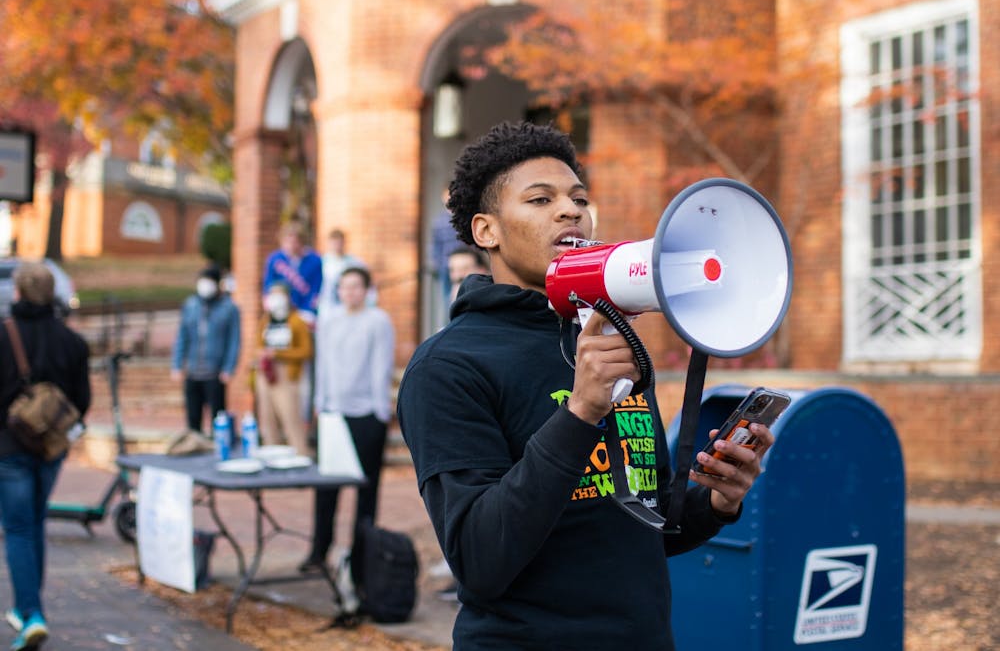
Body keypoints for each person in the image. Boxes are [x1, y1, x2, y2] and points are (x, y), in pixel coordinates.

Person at [397, 121, 774, 650]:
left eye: (579, 197)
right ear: (487, 231)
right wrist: (579, 414)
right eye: (539, 198)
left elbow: (644, 524)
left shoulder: (605, 343)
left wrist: (715, 503)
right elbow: (480, 560)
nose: (571, 210)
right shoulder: (449, 366)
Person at [0, 261, 91, 650]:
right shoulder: (72, 342)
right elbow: (82, 401)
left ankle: (31, 612)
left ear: (17, 293)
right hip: (51, 450)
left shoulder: (3, 336)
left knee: (18, 528)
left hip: (9, 449)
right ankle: (28, 607)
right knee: (35, 522)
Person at [299, 266, 395, 573]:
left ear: (367, 290)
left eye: (355, 286)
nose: (349, 292)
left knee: (366, 490)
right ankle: (318, 551)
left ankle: (360, 556)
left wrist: (381, 411)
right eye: (343, 287)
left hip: (367, 414)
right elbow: (322, 365)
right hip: (333, 415)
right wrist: (320, 404)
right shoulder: (329, 320)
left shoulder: (378, 321)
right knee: (326, 489)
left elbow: (382, 366)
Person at [170, 264, 241, 434]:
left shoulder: (229, 308)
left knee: (219, 420)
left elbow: (234, 340)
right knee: (193, 420)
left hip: (215, 373)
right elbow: (182, 336)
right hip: (193, 371)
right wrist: (177, 365)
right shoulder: (191, 305)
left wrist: (228, 368)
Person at [254, 283, 313, 455]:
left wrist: (279, 354)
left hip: (287, 375)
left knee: (290, 419)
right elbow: (258, 344)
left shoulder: (297, 321)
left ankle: (301, 454)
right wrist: (262, 353)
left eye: (279, 295)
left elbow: (306, 351)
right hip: (266, 373)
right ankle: (271, 456)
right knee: (268, 420)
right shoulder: (266, 320)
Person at [262, 221, 323, 326]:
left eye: (295, 242)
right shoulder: (275, 259)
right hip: (280, 309)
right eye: (287, 241)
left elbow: (316, 289)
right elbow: (268, 285)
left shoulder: (314, 260)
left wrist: (308, 310)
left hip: (305, 311)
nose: (291, 246)